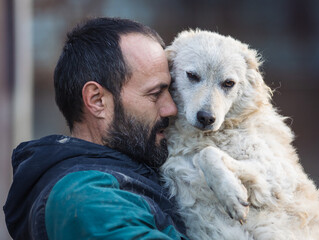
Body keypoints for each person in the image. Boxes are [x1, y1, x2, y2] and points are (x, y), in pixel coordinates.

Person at [3, 17, 188, 240]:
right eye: (156, 94)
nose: (171, 108)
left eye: (171, 91)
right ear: (97, 100)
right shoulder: (86, 196)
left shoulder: (120, 178)